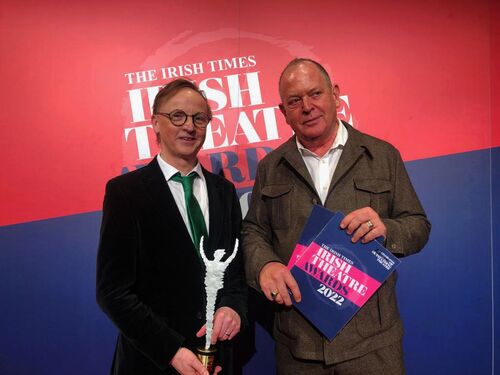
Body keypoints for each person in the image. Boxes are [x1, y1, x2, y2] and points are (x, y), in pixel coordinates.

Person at [242, 58, 431, 374]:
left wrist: (387, 229)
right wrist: (265, 264)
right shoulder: (270, 167)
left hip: (372, 345)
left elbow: (418, 225)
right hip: (298, 346)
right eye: (294, 101)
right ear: (283, 112)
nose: (307, 107)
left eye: (315, 94)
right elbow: (252, 231)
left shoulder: (382, 155)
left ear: (335, 94)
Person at [97, 78, 247, 375]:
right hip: (152, 362)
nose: (189, 126)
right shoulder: (125, 192)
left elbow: (235, 275)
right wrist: (171, 350)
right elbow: (113, 292)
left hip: (215, 362)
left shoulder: (224, 191)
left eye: (199, 118)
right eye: (177, 115)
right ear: (155, 122)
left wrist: (232, 308)